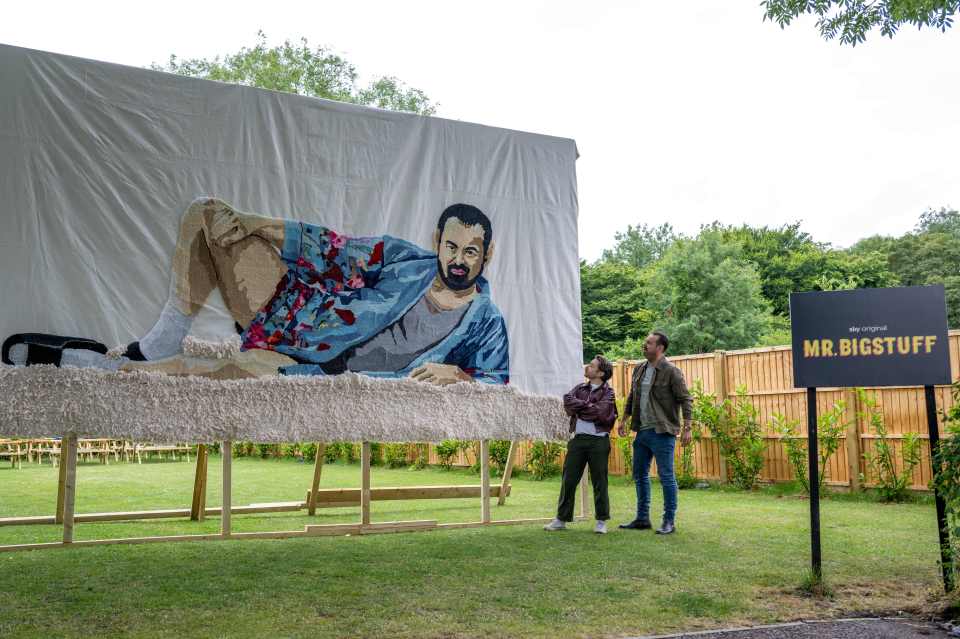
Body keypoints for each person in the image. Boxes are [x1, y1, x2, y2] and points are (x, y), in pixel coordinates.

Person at [3, 198, 509, 385]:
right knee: (206, 213)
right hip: (297, 312)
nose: (459, 260)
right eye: (452, 246)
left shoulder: (486, 320)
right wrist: (252, 224)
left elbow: (497, 380)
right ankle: (163, 336)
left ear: (486, 257)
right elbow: (332, 248)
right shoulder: (407, 260)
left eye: (471, 251)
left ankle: (99, 367)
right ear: (436, 243)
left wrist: (460, 374)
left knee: (206, 375)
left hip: (311, 365)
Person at [618, 332, 692, 535]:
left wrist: (687, 428)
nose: (644, 345)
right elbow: (633, 395)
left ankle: (669, 521)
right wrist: (624, 418)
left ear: (660, 348)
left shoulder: (671, 371)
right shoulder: (639, 368)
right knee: (639, 474)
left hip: (663, 431)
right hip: (642, 430)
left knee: (666, 476)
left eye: (649, 343)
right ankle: (642, 518)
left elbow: (686, 399)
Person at [544, 355, 617, 534]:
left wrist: (581, 408)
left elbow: (601, 413)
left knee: (600, 481)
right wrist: (588, 406)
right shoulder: (579, 388)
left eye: (591, 366)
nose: (587, 368)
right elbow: (568, 402)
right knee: (568, 480)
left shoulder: (609, 392)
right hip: (578, 440)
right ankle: (561, 519)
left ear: (600, 372)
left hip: (599, 441)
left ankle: (601, 521)